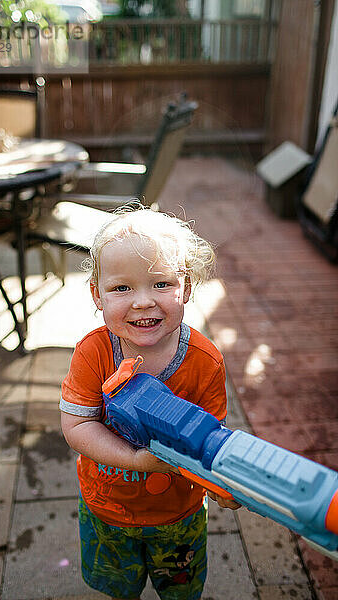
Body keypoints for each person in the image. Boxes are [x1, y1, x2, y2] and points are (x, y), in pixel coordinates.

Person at [60, 205, 240, 600]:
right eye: (122, 288)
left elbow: (210, 436)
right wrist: (137, 460)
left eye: (160, 284)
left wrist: (222, 479)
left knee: (180, 590)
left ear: (187, 287)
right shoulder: (93, 353)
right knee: (119, 589)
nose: (143, 302)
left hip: (179, 513)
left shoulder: (204, 360)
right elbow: (77, 426)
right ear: (98, 295)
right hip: (109, 509)